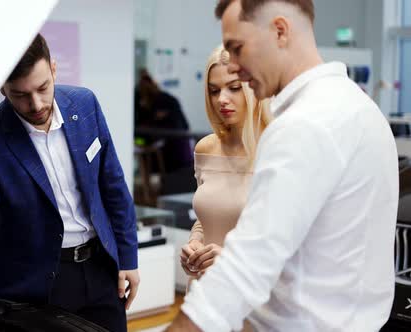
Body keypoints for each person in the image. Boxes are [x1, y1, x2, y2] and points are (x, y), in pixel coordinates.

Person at [168, 0, 398, 331]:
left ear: (280, 30)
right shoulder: (362, 109)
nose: (234, 66)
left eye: (238, 48)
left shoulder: (302, 125)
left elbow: (246, 267)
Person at [0, 33, 139, 332]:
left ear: (53, 69)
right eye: (21, 95)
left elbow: (112, 184)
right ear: (2, 88)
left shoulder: (85, 103)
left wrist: (128, 257)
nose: (36, 104)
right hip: (36, 287)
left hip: (101, 268)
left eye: (42, 88)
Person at [179, 45, 271, 332]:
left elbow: (292, 243)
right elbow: (207, 220)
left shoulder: (277, 150)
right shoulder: (206, 148)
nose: (223, 99)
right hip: (206, 292)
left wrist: (234, 262)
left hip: (257, 301)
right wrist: (194, 245)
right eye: (214, 90)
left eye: (233, 88)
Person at [134, 69, 193, 173]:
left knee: (176, 173)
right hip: (172, 142)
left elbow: (178, 126)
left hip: (175, 145)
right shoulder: (145, 101)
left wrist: (143, 141)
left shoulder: (163, 101)